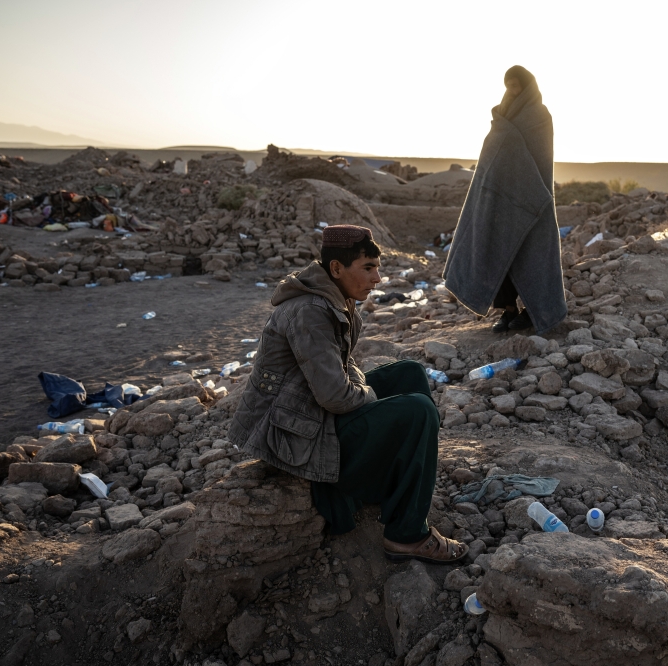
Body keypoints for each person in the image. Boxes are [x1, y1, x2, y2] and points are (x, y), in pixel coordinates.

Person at [228, 225, 466, 564]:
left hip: (313, 414)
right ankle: (406, 535)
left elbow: (343, 366)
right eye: (368, 268)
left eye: (377, 268)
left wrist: (366, 393)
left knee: (408, 373)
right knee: (418, 411)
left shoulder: (332, 298)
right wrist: (372, 399)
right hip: (297, 438)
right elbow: (336, 397)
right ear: (337, 268)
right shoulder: (309, 311)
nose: (378, 278)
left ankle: (396, 486)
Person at [443, 65, 567, 334]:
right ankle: (508, 311)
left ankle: (534, 313)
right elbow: (494, 155)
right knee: (496, 252)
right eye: (508, 85)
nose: (512, 90)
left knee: (532, 256)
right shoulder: (502, 114)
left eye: (516, 85)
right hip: (499, 199)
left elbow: (537, 157)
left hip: (532, 198)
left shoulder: (539, 116)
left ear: (527, 85)